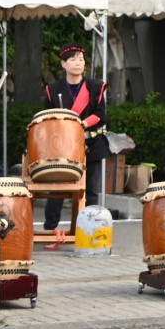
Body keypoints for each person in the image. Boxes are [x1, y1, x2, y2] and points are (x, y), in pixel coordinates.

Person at [42, 43, 109, 231]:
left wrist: (81, 124)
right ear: (63, 64)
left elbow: (100, 114)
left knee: (91, 190)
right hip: (63, 146)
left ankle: (91, 230)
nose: (77, 63)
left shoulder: (95, 87)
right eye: (72, 59)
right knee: (59, 187)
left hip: (92, 143)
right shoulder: (53, 90)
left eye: (80, 59)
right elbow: (48, 117)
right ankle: (49, 228)